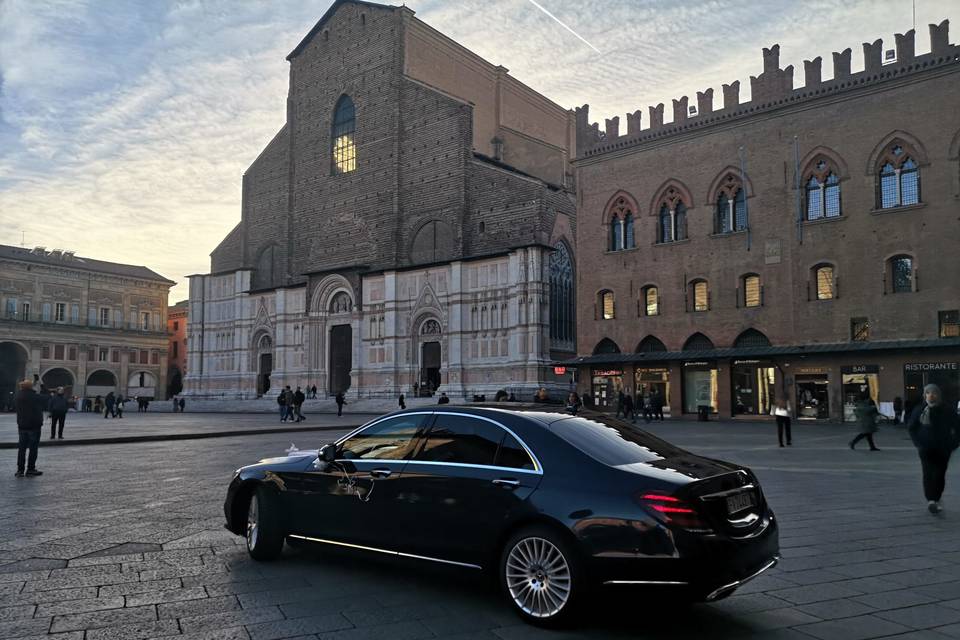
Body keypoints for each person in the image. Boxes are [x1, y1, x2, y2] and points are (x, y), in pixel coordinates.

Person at [906, 384, 960, 514]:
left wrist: (953, 443)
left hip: (943, 448)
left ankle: (936, 497)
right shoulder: (920, 410)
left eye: (934, 393)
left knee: (939, 474)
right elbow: (911, 427)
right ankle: (931, 500)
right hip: (925, 447)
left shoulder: (947, 410)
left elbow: (958, 428)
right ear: (924, 395)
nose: (931, 395)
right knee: (928, 473)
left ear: (938, 395)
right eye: (928, 393)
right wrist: (918, 442)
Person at [14, 379, 45, 477]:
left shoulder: (18, 396)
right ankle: (30, 469)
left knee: (21, 449)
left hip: (22, 426)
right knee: (33, 448)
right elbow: (47, 397)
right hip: (34, 426)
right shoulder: (34, 396)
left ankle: (20, 470)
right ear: (31, 387)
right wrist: (42, 386)